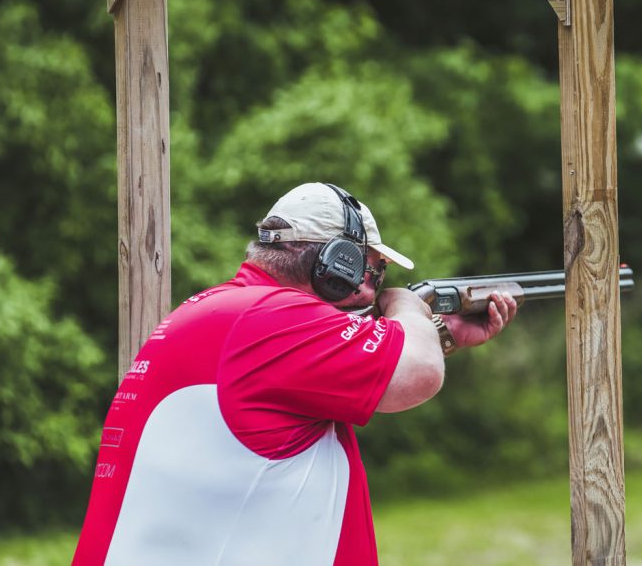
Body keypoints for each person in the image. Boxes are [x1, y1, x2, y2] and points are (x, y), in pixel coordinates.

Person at [72, 182, 517, 565]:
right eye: (374, 267)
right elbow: (417, 374)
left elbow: (346, 364)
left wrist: (438, 333)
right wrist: (407, 306)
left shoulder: (233, 311)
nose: (373, 282)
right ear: (338, 262)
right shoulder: (274, 317)